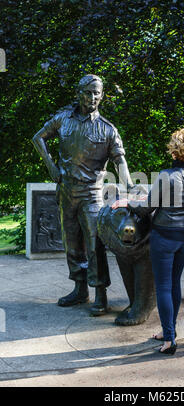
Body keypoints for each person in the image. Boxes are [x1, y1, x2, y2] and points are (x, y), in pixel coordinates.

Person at [32, 74, 136, 316]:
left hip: (92, 193)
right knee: (71, 242)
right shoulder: (62, 120)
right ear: (79, 93)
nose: (93, 98)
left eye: (97, 93)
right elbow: (38, 138)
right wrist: (50, 165)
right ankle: (80, 289)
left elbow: (120, 160)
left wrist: (129, 184)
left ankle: (100, 294)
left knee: (94, 245)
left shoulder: (108, 129)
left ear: (102, 95)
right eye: (89, 92)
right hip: (67, 190)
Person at [113, 128, 184, 354]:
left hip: (163, 237)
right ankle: (168, 331)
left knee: (163, 287)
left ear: (175, 151)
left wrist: (126, 203)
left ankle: (169, 340)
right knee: (174, 285)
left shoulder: (166, 175)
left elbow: (146, 209)